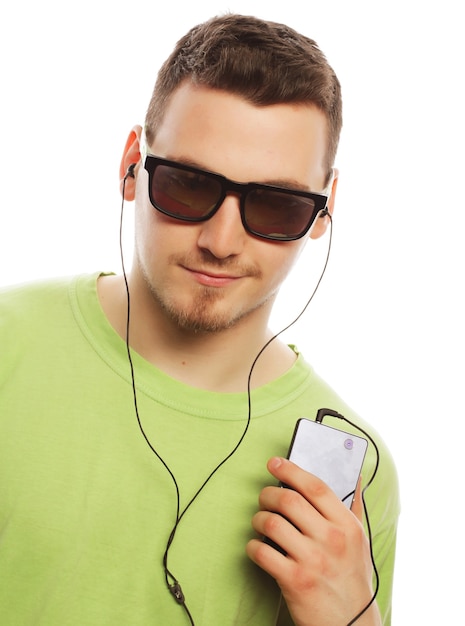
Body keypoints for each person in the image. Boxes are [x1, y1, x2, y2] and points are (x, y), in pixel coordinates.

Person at [0, 13, 400, 626]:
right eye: (188, 185)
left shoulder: (354, 475)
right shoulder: (10, 346)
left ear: (324, 210)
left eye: (276, 203)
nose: (221, 240)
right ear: (133, 163)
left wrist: (353, 618)